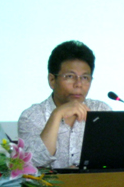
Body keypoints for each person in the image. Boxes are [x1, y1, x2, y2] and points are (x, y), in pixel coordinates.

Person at [17, 40, 112, 169]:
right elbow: (31, 164)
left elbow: (112, 161)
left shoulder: (101, 110)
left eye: (85, 77)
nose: (78, 84)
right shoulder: (31, 116)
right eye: (70, 76)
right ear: (52, 80)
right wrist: (57, 114)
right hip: (50, 183)